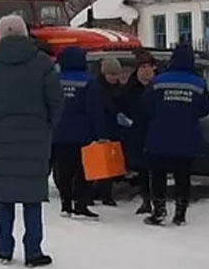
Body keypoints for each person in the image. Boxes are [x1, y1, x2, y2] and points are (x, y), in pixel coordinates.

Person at [0, 15, 64, 267]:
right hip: (35, 136)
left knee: (3, 195)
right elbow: (56, 99)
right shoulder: (42, 63)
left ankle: (4, 250)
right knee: (32, 198)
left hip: (1, 136)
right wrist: (48, 124)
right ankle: (33, 252)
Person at [142, 45, 209, 226]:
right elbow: (206, 108)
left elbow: (146, 106)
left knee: (158, 175)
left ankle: (159, 211)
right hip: (186, 138)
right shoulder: (198, 83)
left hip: (159, 137)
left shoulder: (158, 82)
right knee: (183, 176)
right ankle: (180, 214)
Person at [51, 46, 102, 219]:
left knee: (62, 169)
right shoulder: (89, 81)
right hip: (83, 134)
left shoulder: (55, 80)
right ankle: (81, 204)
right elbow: (94, 109)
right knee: (83, 170)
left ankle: (65, 205)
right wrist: (99, 132)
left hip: (58, 132)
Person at [119, 50, 157, 215]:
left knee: (156, 169)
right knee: (142, 170)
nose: (146, 71)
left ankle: (157, 200)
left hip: (156, 132)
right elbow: (122, 107)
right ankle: (146, 200)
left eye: (149, 67)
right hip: (137, 134)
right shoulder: (131, 88)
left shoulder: (158, 86)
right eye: (142, 67)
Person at [92, 57, 125, 206]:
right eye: (111, 74)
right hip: (100, 129)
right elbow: (97, 110)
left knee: (110, 165)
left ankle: (106, 194)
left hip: (114, 130)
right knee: (97, 163)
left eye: (116, 74)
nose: (114, 77)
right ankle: (94, 192)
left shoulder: (119, 89)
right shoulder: (97, 88)